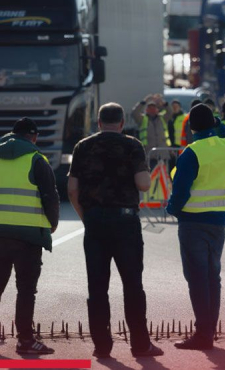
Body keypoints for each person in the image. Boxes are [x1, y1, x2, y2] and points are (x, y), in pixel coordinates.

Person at [67, 103, 164, 358]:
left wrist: (86, 217)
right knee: (132, 285)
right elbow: (143, 184)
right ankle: (141, 345)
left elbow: (72, 189)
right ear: (121, 123)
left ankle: (102, 346)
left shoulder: (83, 146)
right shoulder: (132, 145)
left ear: (99, 123)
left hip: (95, 223)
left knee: (97, 288)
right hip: (125, 223)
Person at [0, 118, 59, 355]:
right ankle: (25, 341)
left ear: (12, 134)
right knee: (26, 290)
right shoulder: (36, 160)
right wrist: (52, 225)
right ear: (34, 137)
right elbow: (50, 196)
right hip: (28, 237)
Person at [167, 104, 225, 350]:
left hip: (192, 222)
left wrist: (172, 210)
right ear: (213, 125)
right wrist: (219, 122)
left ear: (191, 128)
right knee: (212, 277)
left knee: (197, 279)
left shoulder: (191, 153)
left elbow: (180, 192)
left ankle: (203, 334)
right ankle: (209, 331)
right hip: (218, 222)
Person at [131, 94, 172, 167]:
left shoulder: (163, 118)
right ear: (146, 110)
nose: (152, 109)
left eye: (154, 108)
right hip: (150, 155)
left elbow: (170, 112)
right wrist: (144, 101)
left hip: (163, 155)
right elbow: (134, 113)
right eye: (150, 108)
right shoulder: (142, 119)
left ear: (157, 109)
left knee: (164, 177)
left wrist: (162, 102)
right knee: (152, 177)